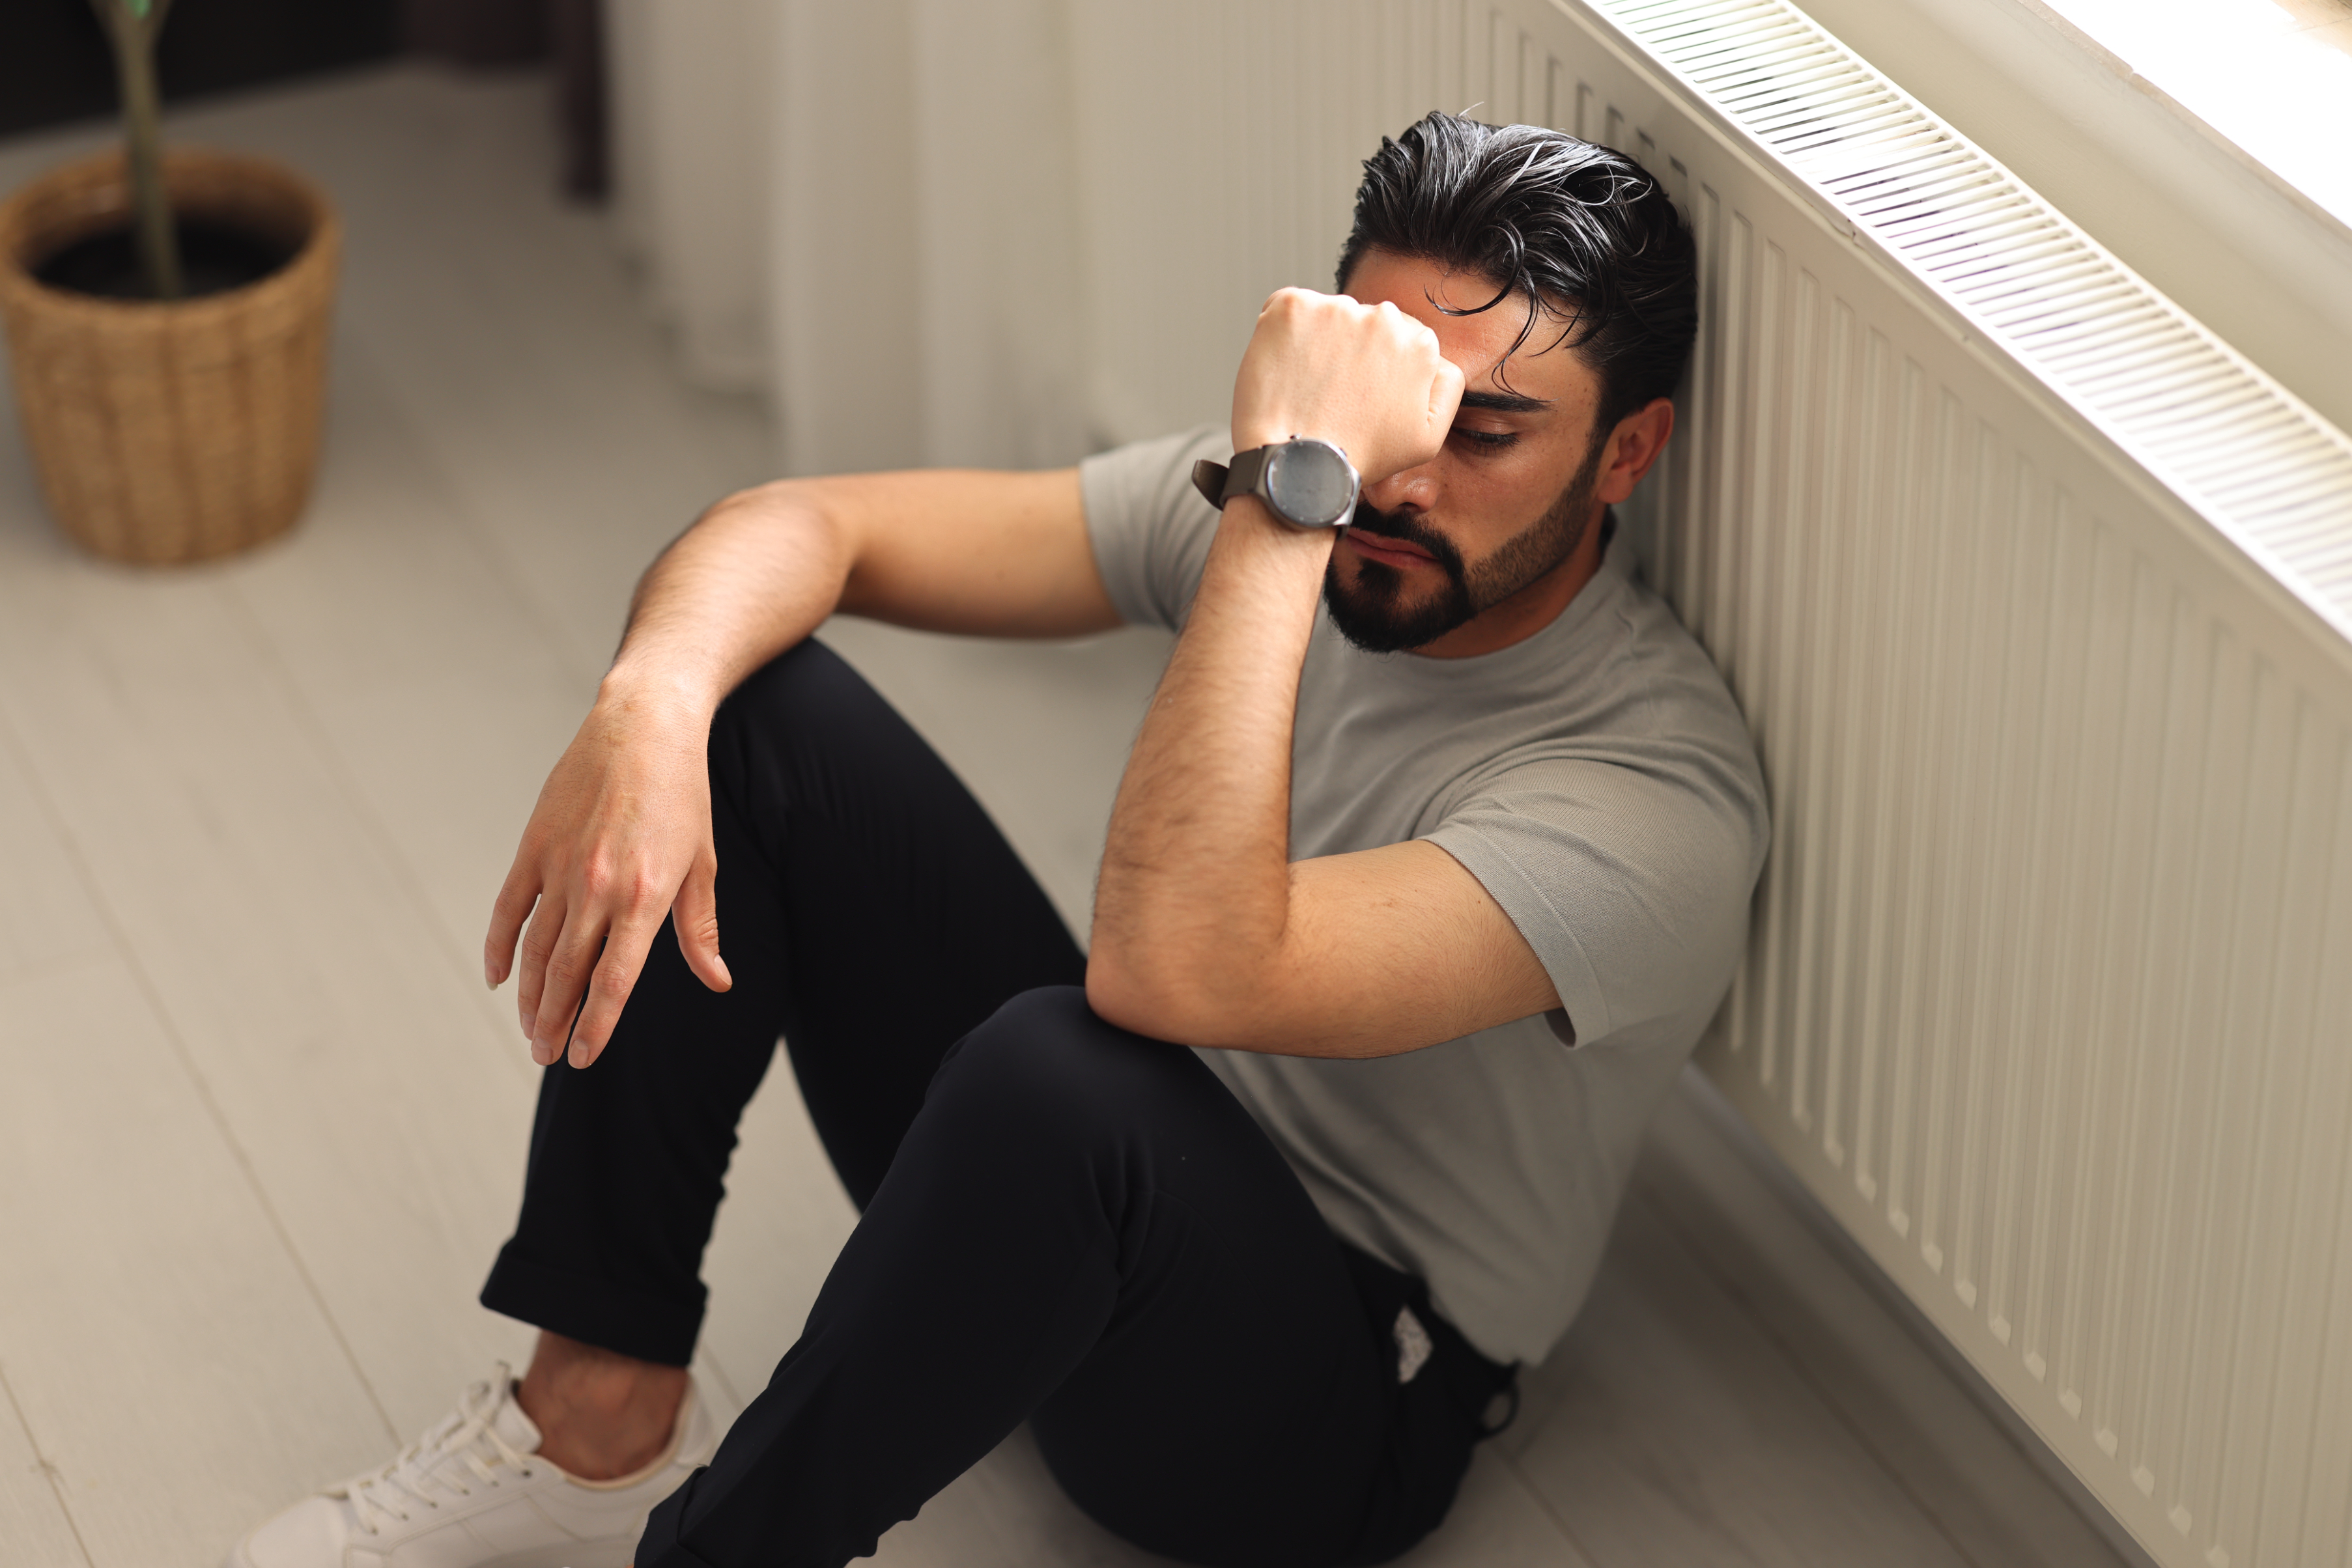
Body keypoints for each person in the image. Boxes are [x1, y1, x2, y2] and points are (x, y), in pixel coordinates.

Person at [226, 111, 1767, 1568]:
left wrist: (1290, 494)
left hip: (1328, 1395)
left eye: (1483, 430)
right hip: (1102, 1169)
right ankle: (594, 1419)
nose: (1401, 479)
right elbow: (810, 527)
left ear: (1627, 453)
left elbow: (1168, 972)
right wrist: (650, 702)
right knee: (749, 714)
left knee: (1063, 1065)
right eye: (1390, 412)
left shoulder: (1653, 793)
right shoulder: (1302, 502)